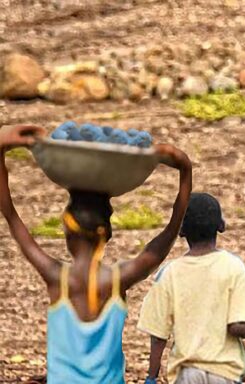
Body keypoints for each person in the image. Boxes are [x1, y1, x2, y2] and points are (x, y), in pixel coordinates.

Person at [0, 124, 192, 383]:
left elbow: (11, 215)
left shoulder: (57, 277)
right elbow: (168, 235)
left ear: (67, 227)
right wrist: (185, 171)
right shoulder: (118, 280)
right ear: (107, 232)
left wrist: (0, 148)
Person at [138, 192, 245, 384]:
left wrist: (151, 377)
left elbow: (158, 336)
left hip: (186, 374)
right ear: (222, 226)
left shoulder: (168, 274)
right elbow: (238, 326)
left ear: (180, 231)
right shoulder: (233, 267)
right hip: (224, 374)